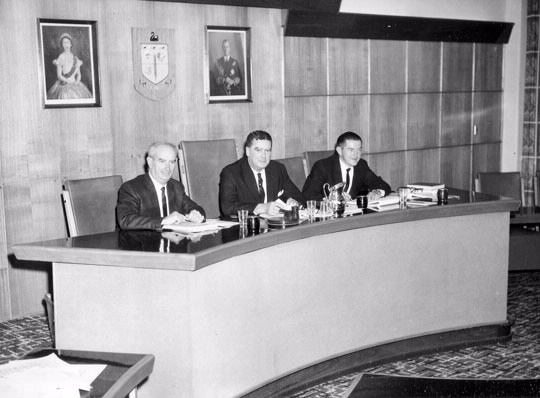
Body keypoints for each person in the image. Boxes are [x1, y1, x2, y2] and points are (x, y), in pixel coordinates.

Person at [117, 142, 205, 230]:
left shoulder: (176, 186)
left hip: (171, 241)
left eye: (172, 162)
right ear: (150, 162)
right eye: (162, 161)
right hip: (140, 242)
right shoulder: (131, 188)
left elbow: (195, 208)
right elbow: (125, 220)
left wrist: (195, 214)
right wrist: (163, 221)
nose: (168, 168)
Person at [219, 130, 304, 218]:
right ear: (247, 151)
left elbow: (300, 197)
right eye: (258, 150)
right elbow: (227, 207)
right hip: (247, 227)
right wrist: (262, 208)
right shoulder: (231, 172)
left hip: (275, 227)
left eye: (267, 150)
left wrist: (294, 202)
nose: (263, 155)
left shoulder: (278, 169)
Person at [302, 132, 391, 202]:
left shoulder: (361, 165)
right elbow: (308, 194)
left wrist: (377, 192)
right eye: (351, 150)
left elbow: (382, 185)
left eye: (359, 150)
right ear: (339, 150)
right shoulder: (323, 166)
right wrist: (330, 201)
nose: (356, 155)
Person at [47, 33, 93, 100]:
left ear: (71, 44)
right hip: (64, 85)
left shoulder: (75, 59)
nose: (66, 44)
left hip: (75, 84)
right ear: (62, 45)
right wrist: (69, 82)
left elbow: (79, 74)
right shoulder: (61, 57)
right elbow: (59, 75)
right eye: (64, 43)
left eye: (67, 42)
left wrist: (77, 81)